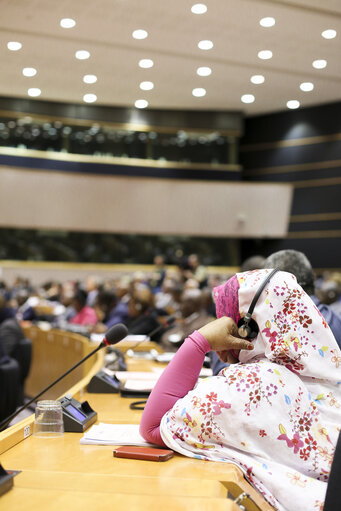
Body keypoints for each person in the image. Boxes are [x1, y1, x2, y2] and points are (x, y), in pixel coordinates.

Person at [140, 269, 341, 511]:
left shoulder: (255, 383)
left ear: (247, 328)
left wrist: (199, 342)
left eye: (226, 322)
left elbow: (153, 426)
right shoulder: (330, 376)